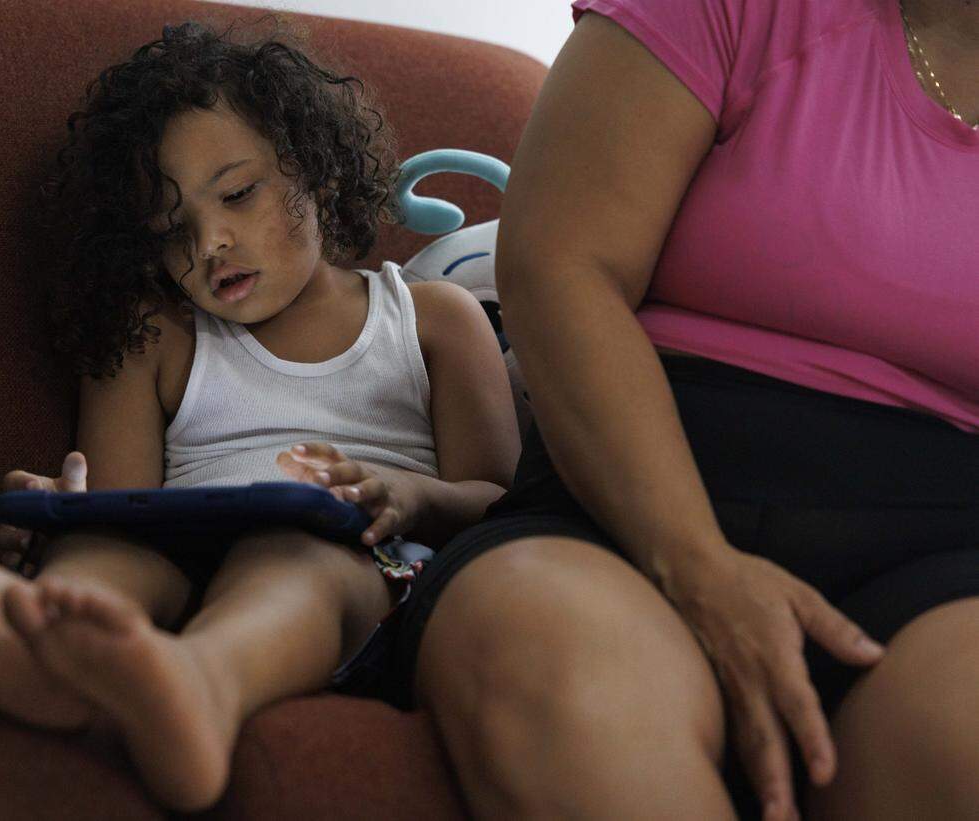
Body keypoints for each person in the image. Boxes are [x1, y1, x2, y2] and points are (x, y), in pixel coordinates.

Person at [0, 21, 519, 813]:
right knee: (104, 548)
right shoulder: (152, 336)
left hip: (355, 574)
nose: (209, 241)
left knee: (292, 557)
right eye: (170, 229)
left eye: (236, 193)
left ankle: (204, 683)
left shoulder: (430, 319)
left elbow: (501, 504)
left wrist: (406, 493)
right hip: (175, 565)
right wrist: (61, 510)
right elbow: (124, 501)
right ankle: (19, 644)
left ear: (318, 171)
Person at [387, 1, 979, 820]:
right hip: (614, 508)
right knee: (570, 685)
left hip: (947, 561)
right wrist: (696, 562)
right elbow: (560, 264)